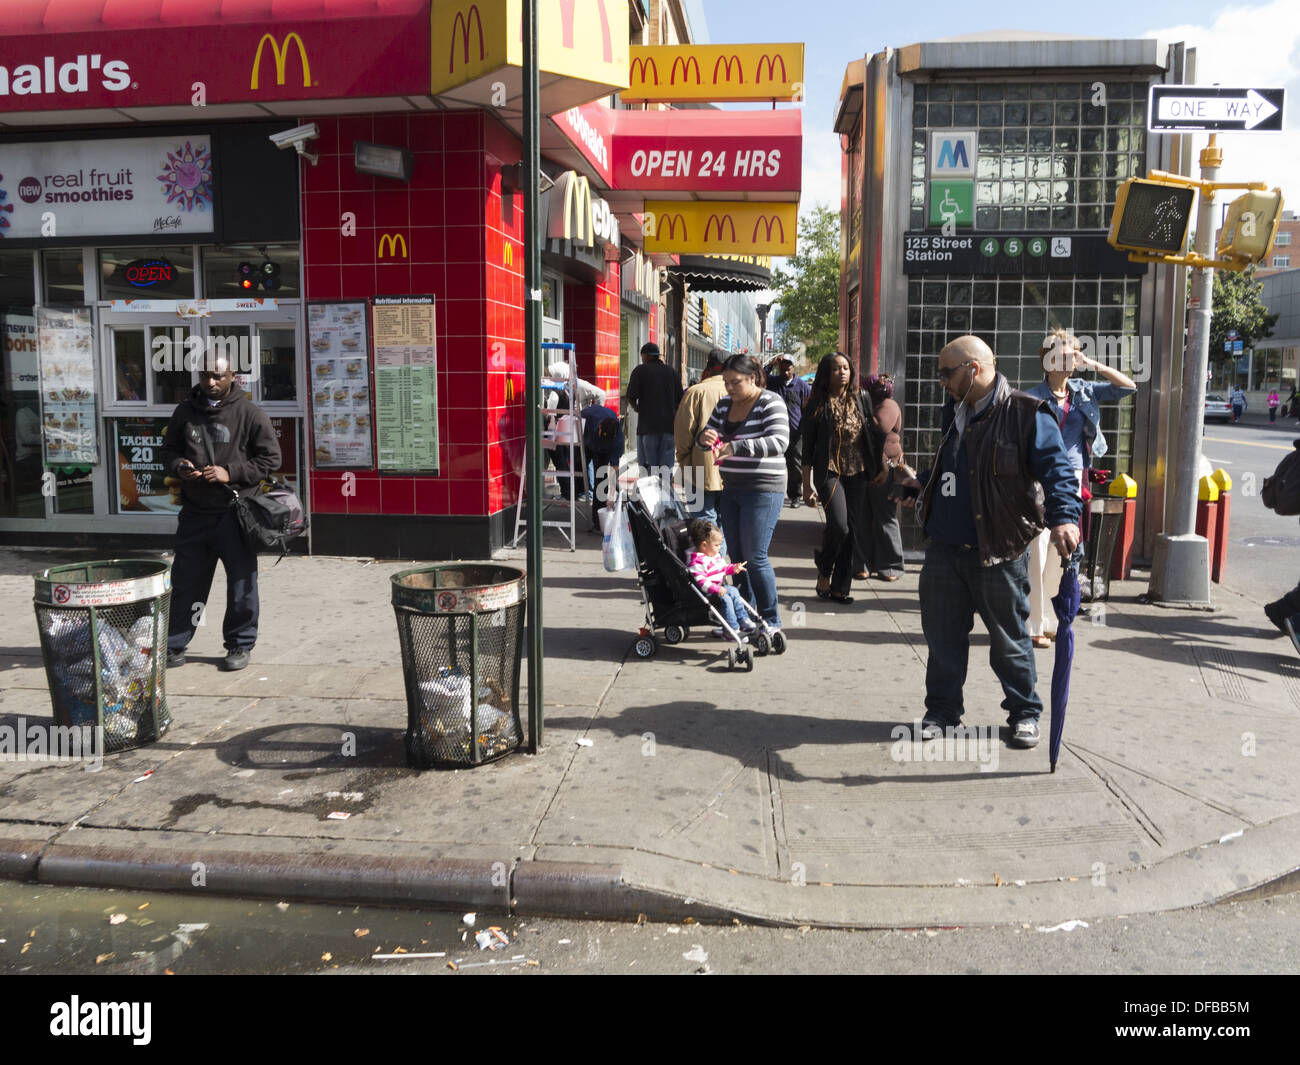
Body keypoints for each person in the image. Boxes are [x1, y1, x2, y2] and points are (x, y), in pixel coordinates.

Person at [892, 335, 1082, 750]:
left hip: (998, 549)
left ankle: (1024, 713)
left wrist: (1066, 517)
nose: (940, 381)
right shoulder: (955, 409)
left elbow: (1058, 472)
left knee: (1010, 641)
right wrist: (920, 484)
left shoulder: (1027, 413)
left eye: (946, 372)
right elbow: (958, 469)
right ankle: (942, 712)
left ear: (973, 369)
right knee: (942, 642)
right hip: (945, 549)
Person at [160, 355, 281, 671]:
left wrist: (230, 472)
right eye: (205, 376)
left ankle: (239, 645)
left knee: (241, 585)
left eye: (217, 376)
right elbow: (169, 450)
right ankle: (175, 643)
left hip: (235, 515)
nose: (210, 383)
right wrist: (179, 466)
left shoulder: (250, 414)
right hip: (195, 514)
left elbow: (270, 460)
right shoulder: (185, 412)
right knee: (188, 583)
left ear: (233, 377)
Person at [1024, 330, 1137, 647]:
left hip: (1074, 476)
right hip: (1040, 477)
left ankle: (1049, 621)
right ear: (1047, 360)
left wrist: (1093, 363)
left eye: (1074, 353)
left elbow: (1128, 387)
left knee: (1063, 553)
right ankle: (1033, 624)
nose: (1070, 359)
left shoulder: (1084, 391)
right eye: (1064, 353)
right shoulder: (1032, 397)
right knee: (1037, 549)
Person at [698, 354, 790, 630]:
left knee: (755, 555)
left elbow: (779, 441)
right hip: (731, 487)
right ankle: (744, 615)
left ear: (752, 378)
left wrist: (737, 447)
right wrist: (705, 438)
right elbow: (706, 435)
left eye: (735, 382)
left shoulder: (770, 402)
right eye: (726, 382)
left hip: (763, 488)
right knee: (736, 557)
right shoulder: (725, 403)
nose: (729, 388)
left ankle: (770, 620)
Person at [800, 353, 879, 604]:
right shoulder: (816, 403)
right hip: (829, 472)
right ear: (826, 373)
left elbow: (871, 434)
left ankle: (840, 588)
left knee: (851, 531)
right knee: (839, 525)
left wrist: (882, 466)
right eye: (836, 369)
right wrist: (806, 486)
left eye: (845, 368)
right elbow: (807, 448)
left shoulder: (862, 398)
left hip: (858, 472)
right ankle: (825, 568)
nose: (842, 372)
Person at [674, 349, 728, 538]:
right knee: (724, 522)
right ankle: (719, 563)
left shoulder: (696, 392)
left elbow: (683, 433)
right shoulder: (738, 392)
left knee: (704, 523)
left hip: (699, 467)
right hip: (731, 469)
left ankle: (712, 565)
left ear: (708, 365)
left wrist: (683, 459)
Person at [857, 373, 906, 582]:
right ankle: (862, 564)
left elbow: (878, 427)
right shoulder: (873, 405)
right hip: (865, 468)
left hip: (885, 468)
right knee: (862, 519)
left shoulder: (888, 405)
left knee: (885, 517)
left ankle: (891, 565)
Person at [686, 518, 753, 637]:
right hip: (707, 592)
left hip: (719, 588)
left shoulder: (714, 555)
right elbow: (702, 582)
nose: (719, 548)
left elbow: (723, 569)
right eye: (717, 545)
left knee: (734, 591)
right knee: (726, 599)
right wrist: (716, 589)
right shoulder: (696, 562)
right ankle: (731, 628)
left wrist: (733, 568)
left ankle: (743, 619)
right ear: (704, 545)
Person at [625, 341, 682, 480]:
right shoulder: (672, 372)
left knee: (648, 468)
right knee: (666, 468)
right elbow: (681, 399)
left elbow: (631, 396)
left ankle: (650, 498)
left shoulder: (640, 370)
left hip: (647, 427)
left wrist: (636, 408)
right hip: (669, 428)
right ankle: (665, 497)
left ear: (645, 356)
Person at [765, 357, 811, 507]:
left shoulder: (802, 386)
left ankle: (795, 495)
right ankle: (771, 495)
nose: (785, 371)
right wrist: (771, 364)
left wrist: (804, 429)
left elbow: (808, 409)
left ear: (793, 368)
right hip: (774, 432)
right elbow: (761, 375)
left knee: (795, 465)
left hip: (796, 433)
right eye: (782, 368)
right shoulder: (773, 382)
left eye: (788, 368)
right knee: (772, 464)